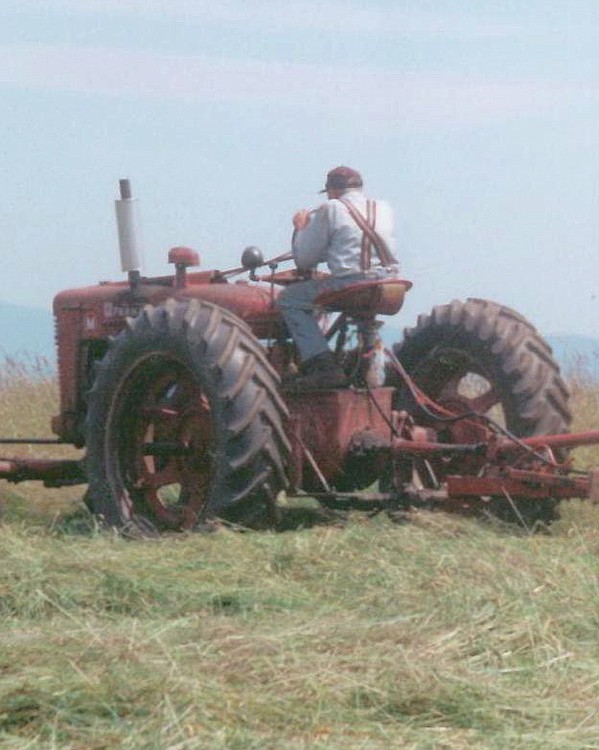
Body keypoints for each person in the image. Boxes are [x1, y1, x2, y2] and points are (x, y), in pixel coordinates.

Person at [276, 165, 398, 390]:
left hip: (353, 283)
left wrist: (300, 228)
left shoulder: (331, 208)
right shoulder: (383, 207)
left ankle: (323, 366)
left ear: (332, 190)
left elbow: (304, 260)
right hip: (388, 281)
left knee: (289, 299)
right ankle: (363, 360)